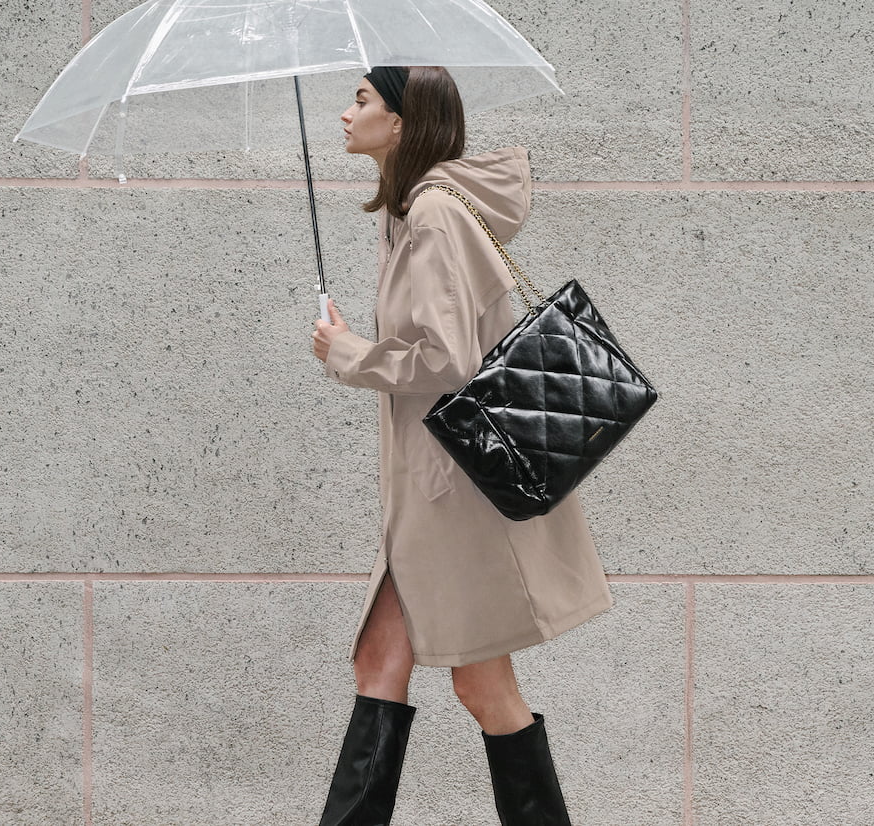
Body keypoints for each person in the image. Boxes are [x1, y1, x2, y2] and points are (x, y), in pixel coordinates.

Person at [308, 65, 612, 826]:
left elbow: (449, 362)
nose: (347, 115)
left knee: (484, 690)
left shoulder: (437, 213)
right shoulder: (410, 212)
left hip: (455, 495)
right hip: (430, 491)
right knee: (382, 665)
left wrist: (350, 353)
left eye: (363, 100)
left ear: (405, 122)